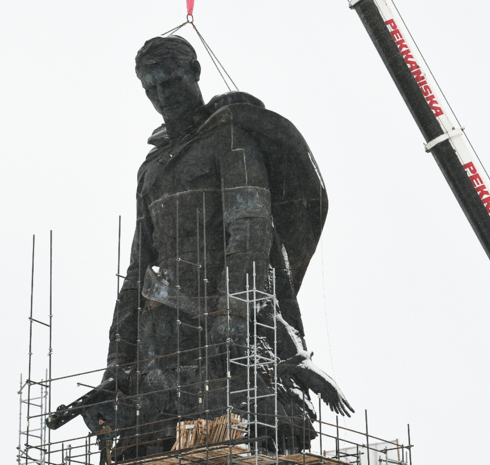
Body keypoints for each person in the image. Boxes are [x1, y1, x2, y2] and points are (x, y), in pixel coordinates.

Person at [75, 35, 352, 457]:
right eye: (151, 88)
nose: (162, 95)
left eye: (170, 81)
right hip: (164, 335)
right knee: (147, 445)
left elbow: (250, 230)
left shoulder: (230, 139)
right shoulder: (151, 168)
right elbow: (136, 270)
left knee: (253, 437)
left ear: (195, 73)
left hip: (226, 328)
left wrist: (234, 313)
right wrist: (116, 368)